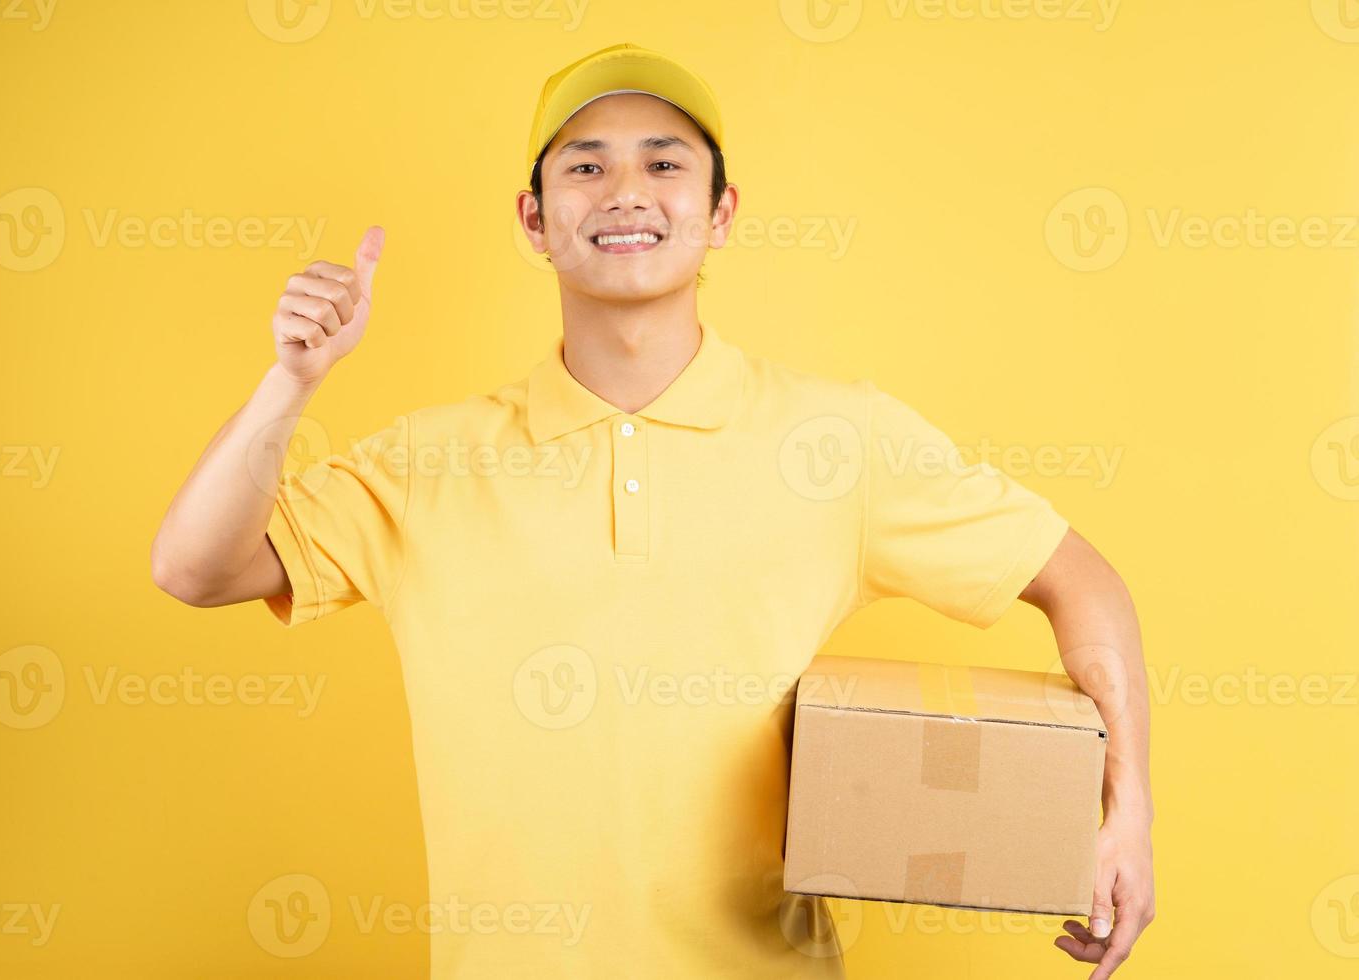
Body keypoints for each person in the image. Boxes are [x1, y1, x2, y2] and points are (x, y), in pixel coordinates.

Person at [151, 41, 1153, 980]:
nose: (626, 190)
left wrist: (1127, 806)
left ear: (720, 212)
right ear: (533, 218)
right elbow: (193, 569)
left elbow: (1083, 583)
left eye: (664, 163)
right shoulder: (429, 461)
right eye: (584, 166)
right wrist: (291, 384)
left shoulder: (839, 443)